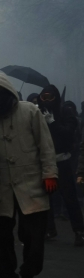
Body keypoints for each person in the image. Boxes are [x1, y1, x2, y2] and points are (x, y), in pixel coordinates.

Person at [0, 72, 57, 278]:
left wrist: (50, 173)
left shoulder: (30, 111)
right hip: (0, 185)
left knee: (33, 236)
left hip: (31, 182)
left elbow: (46, 145)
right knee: (2, 237)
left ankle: (29, 274)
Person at [38, 87, 84, 246]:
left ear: (56, 98)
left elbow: (68, 133)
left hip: (62, 161)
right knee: (45, 198)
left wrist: (52, 123)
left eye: (50, 97)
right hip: (44, 161)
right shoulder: (38, 113)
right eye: (43, 97)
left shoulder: (66, 113)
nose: (46, 101)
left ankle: (79, 231)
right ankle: (49, 229)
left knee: (70, 198)